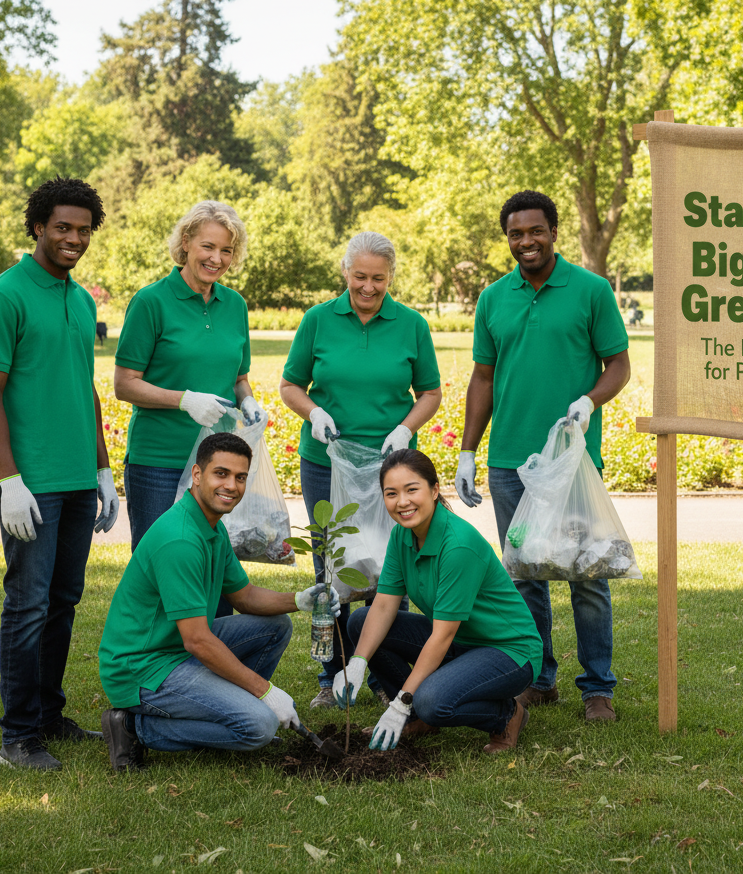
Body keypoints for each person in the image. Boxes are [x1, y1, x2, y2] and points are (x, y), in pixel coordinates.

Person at [456, 190, 631, 723]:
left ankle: (597, 687)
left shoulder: (590, 290)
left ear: (554, 232)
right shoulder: (493, 298)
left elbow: (619, 364)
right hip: (510, 462)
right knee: (525, 575)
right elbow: (482, 378)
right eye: (516, 233)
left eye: (536, 231)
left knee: (587, 575)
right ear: (507, 239)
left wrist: (589, 400)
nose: (526, 241)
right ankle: (539, 679)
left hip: (572, 462)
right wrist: (468, 451)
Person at [0, 177, 121, 772]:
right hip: (30, 483)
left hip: (79, 477)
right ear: (38, 226)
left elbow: (84, 388)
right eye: (62, 227)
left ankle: (49, 715)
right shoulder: (3, 296)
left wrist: (103, 469)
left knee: (62, 602)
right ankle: (18, 738)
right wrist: (9, 481)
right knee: (27, 605)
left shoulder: (81, 300)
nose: (73, 238)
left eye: (83, 230)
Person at [97, 432, 340, 772]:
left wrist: (300, 600)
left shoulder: (211, 527)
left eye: (240, 477)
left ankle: (231, 709)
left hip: (175, 652)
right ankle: (134, 727)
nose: (231, 485)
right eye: (221, 473)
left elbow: (245, 596)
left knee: (275, 626)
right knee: (259, 726)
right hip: (143, 668)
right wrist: (265, 692)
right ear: (197, 474)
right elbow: (197, 640)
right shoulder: (180, 539)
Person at [279, 231, 442, 709]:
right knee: (332, 568)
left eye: (379, 278)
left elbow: (430, 392)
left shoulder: (411, 324)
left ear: (390, 277)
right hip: (327, 463)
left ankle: (383, 675)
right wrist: (313, 413)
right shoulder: (318, 320)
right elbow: (290, 384)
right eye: (360, 277)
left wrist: (407, 428)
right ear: (345, 272)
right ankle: (330, 674)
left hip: (391, 466)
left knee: (390, 566)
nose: (368, 287)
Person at [332, 449, 541, 754]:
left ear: (434, 490)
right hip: (459, 642)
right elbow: (384, 605)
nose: (402, 502)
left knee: (431, 701)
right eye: (391, 493)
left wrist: (401, 702)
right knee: (361, 622)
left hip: (507, 651)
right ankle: (417, 717)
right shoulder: (401, 536)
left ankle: (506, 715)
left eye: (411, 489)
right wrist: (357, 662)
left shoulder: (457, 545)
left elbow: (442, 635)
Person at [114, 200, 266, 617]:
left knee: (216, 570)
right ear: (185, 243)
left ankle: (215, 656)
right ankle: (154, 655)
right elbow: (124, 384)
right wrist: (183, 400)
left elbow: (238, 377)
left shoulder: (234, 305)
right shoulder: (151, 302)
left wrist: (248, 400)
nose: (217, 258)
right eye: (208, 246)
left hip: (218, 465)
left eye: (227, 250)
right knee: (162, 569)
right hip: (159, 463)